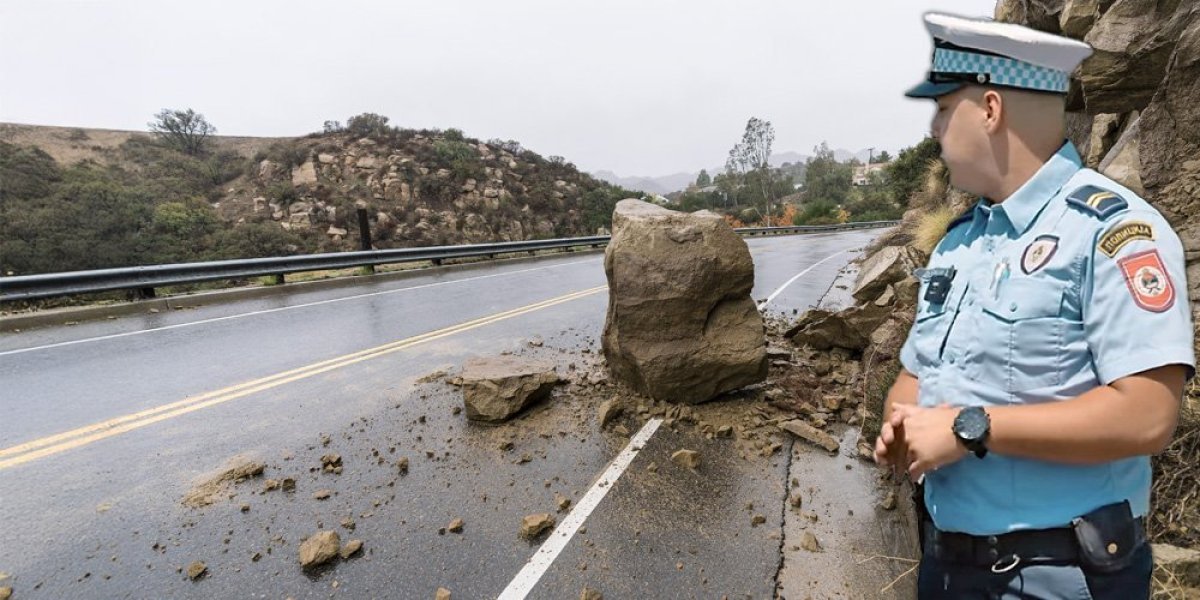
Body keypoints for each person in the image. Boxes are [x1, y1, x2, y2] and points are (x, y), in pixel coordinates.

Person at [873, 11, 1196, 600]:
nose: (934, 130)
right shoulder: (957, 245)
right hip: (946, 563)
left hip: (1061, 573)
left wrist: (972, 429)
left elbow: (1148, 415)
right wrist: (901, 425)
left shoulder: (1112, 231)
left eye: (944, 110)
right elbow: (916, 374)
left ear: (990, 110)